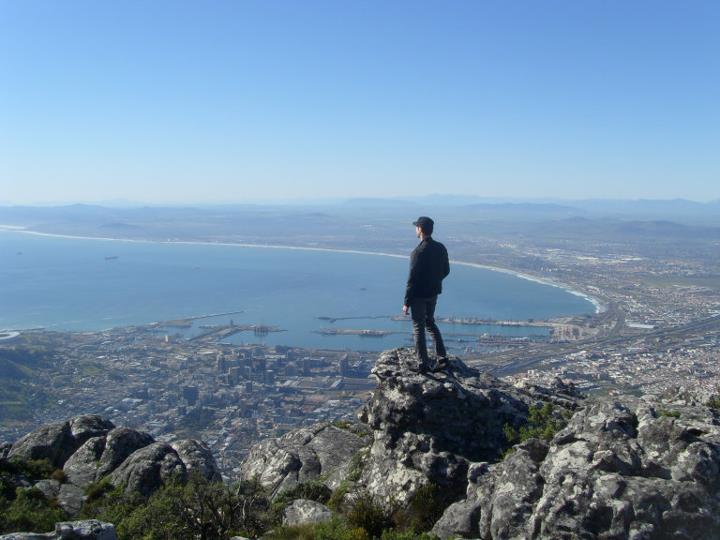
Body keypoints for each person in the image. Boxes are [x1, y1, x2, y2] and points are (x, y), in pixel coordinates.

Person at [402, 216, 450, 372]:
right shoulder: (441, 247)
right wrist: (434, 282)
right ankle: (442, 357)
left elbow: (412, 279)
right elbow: (446, 271)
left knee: (418, 327)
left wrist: (406, 302)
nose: (415, 229)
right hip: (433, 293)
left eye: (416, 227)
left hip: (419, 296)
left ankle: (422, 363)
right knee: (430, 322)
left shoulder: (418, 252)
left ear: (420, 229)